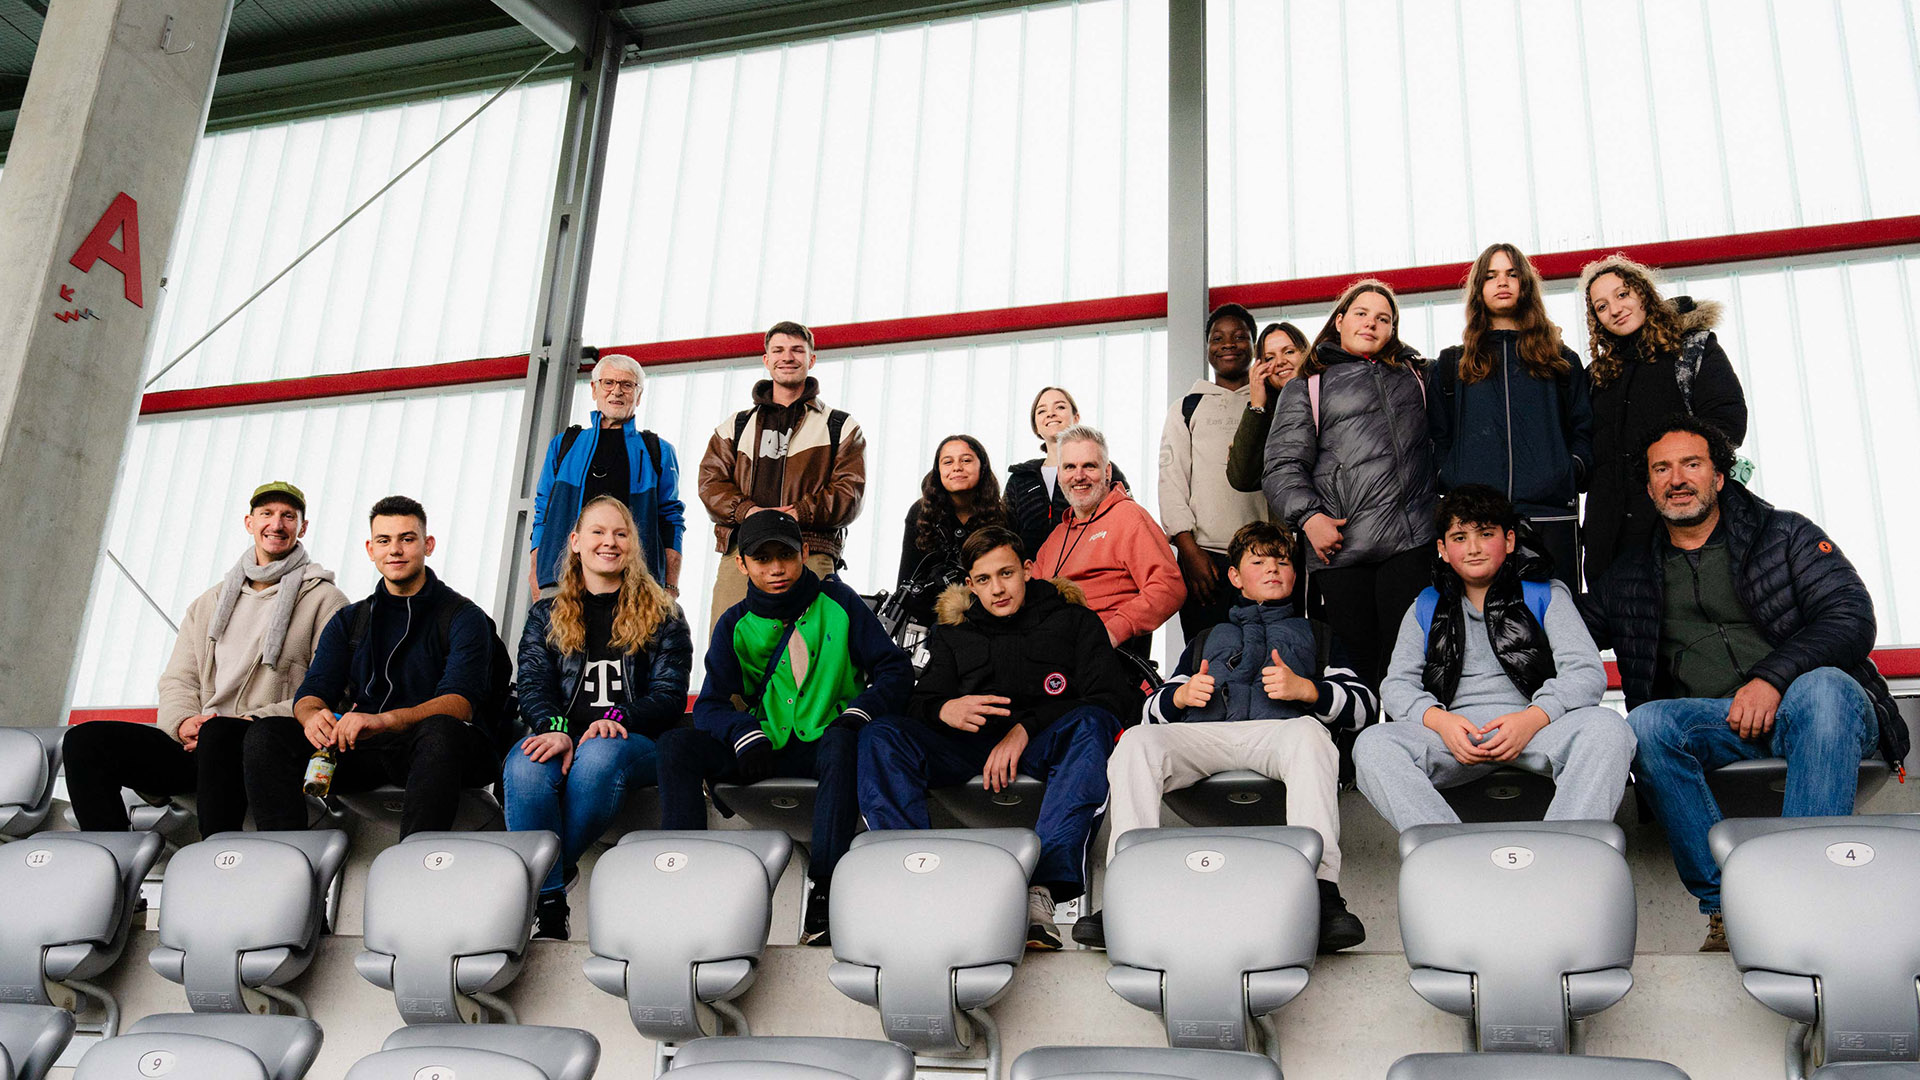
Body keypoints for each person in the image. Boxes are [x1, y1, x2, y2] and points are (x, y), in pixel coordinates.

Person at [1582, 418, 1904, 951]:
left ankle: (1801, 895)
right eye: (1662, 468)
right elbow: (1562, 633)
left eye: (1692, 464)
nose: (1676, 478)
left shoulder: (1786, 534)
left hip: (1819, 710)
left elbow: (1850, 617)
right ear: (1648, 486)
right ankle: (1729, 905)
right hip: (1719, 722)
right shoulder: (1631, 573)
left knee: (1823, 685)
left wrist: (1772, 679)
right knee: (1647, 722)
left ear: (1720, 476)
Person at [1085, 520, 1377, 954]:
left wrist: (1308, 691)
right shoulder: (1207, 638)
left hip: (1279, 736)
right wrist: (1180, 696)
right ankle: (1128, 892)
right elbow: (1149, 711)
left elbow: (1366, 706)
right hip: (1207, 738)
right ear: (1236, 576)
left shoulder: (1318, 634)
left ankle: (1322, 895)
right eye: (1259, 562)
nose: (1274, 569)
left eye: (1282, 562)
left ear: (1295, 574)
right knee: (1135, 742)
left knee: (1311, 736)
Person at [860, 526, 1143, 951]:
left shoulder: (1074, 620)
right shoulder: (954, 632)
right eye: (984, 580)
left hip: (1047, 746)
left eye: (1007, 574)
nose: (998, 589)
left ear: (1028, 570)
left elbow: (1111, 698)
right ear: (971, 584)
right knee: (881, 735)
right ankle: (911, 881)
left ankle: (1039, 896)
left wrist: (1025, 729)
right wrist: (943, 709)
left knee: (1093, 724)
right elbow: (919, 705)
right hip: (967, 749)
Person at [655, 510, 912, 945]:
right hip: (763, 744)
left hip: (830, 742)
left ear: (805, 554)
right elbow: (711, 704)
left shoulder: (841, 604)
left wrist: (858, 714)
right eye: (762, 559)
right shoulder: (733, 623)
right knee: (676, 744)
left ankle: (825, 893)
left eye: (786, 556)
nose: (776, 568)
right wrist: (740, 732)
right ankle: (685, 879)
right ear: (742, 565)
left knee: (841, 744)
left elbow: (895, 670)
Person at [63, 482, 348, 836]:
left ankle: (214, 858)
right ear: (249, 522)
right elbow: (178, 679)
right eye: (267, 514)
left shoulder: (325, 600)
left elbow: (332, 690)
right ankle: (111, 865)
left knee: (221, 733)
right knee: (85, 742)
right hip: (198, 742)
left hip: (265, 744)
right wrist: (183, 722)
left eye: (288, 516)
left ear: (302, 528)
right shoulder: (209, 603)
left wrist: (248, 720)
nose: (276, 524)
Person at [1355, 485, 1634, 833]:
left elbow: (1586, 673)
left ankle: (1567, 850)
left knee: (1608, 729)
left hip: (1534, 731)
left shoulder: (1545, 593)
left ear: (1510, 540)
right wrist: (1441, 723)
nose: (1472, 548)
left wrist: (1532, 719)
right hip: (1455, 738)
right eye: (1459, 537)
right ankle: (1448, 853)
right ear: (1442, 549)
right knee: (1372, 745)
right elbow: (1396, 685)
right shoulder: (1426, 605)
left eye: (1486, 534)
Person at [242, 496, 508, 838]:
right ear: (371, 549)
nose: (394, 550)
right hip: (364, 748)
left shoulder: (463, 616)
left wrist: (384, 721)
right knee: (266, 736)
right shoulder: (349, 620)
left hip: (442, 750)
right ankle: (285, 864)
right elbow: (312, 691)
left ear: (428, 545)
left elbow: (460, 703)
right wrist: (312, 716)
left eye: (406, 539)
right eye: (384, 541)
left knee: (440, 730)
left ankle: (415, 865)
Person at [506, 496, 692, 940]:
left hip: (635, 741)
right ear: (575, 542)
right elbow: (532, 686)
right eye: (598, 532)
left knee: (597, 757)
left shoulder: (665, 615)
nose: (609, 542)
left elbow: (668, 696)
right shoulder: (545, 614)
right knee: (526, 767)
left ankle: (529, 882)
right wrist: (556, 730)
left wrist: (614, 716)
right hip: (563, 734)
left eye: (620, 533)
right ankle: (551, 905)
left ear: (633, 545)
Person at [1263, 278, 1438, 688]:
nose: (1371, 324)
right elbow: (1281, 466)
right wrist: (1309, 519)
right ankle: (1351, 755)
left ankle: (1402, 751)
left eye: (1383, 318)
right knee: (1351, 677)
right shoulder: (1307, 386)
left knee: (1410, 673)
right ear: (1339, 320)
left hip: (1410, 545)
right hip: (1339, 550)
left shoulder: (1417, 377)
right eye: (1361, 313)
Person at [1579, 254, 1748, 587]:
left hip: (1682, 529)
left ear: (1644, 294)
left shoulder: (1693, 351)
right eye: (1601, 306)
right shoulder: (1595, 378)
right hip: (1610, 541)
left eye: (1623, 294)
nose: (1615, 309)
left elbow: (1728, 422)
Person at [1429, 244, 1593, 585]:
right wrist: (1451, 476)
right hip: (1477, 523)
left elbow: (1584, 428)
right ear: (1478, 289)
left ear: (1526, 284)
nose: (1502, 282)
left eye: (1512, 274)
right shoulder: (1451, 365)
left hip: (1550, 516)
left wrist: (1568, 470)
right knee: (1483, 627)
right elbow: (1437, 437)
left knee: (1554, 623)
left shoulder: (1561, 361)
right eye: (1491, 276)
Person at [698, 321, 867, 630]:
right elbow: (710, 484)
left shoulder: (840, 426)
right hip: (743, 554)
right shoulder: (735, 426)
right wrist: (749, 513)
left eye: (797, 350)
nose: (787, 357)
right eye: (778, 350)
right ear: (766, 360)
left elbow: (849, 495)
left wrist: (797, 513)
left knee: (812, 654)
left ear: (811, 359)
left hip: (810, 550)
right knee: (732, 653)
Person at [528, 352, 685, 601]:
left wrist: (670, 585)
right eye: (608, 383)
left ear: (639, 395)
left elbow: (671, 520)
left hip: (636, 584)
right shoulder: (565, 445)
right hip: (562, 579)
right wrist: (536, 567)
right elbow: (542, 510)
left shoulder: (659, 451)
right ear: (594, 389)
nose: (617, 391)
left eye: (627, 385)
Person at [1160, 303, 1272, 638]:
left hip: (1264, 555)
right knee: (1207, 657)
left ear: (1254, 346)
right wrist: (1188, 550)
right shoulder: (1187, 406)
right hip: (1205, 559)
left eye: (1240, 336)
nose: (1228, 344)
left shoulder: (1272, 401)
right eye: (1217, 338)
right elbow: (1171, 480)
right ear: (1208, 347)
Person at [1033, 425, 1184, 656]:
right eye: (1070, 467)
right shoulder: (1056, 537)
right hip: (1052, 650)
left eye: (1089, 466)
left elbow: (1168, 587)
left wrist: (1110, 633)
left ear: (1107, 471)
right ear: (1060, 474)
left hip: (1104, 657)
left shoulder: (1129, 518)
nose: (1079, 476)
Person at [894, 434, 1011, 627]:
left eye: (966, 460)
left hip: (990, 618)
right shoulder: (920, 512)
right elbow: (907, 578)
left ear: (982, 467)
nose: (957, 467)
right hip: (931, 620)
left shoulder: (1002, 515)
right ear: (938, 471)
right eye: (948, 462)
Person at [1006, 386, 1131, 558]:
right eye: (1041, 411)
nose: (1051, 414)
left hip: (1089, 567)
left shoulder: (1103, 470)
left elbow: (1125, 519)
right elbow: (1006, 534)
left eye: (1060, 407)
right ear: (1035, 426)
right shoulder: (1019, 479)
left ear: (1076, 418)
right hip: (1031, 576)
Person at [1226, 322, 1308, 493]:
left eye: (1289, 351)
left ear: (1305, 353)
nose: (1280, 362)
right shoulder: (1265, 416)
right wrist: (1256, 406)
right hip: (1289, 516)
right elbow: (1242, 479)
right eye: (1270, 358)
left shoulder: (1330, 398)